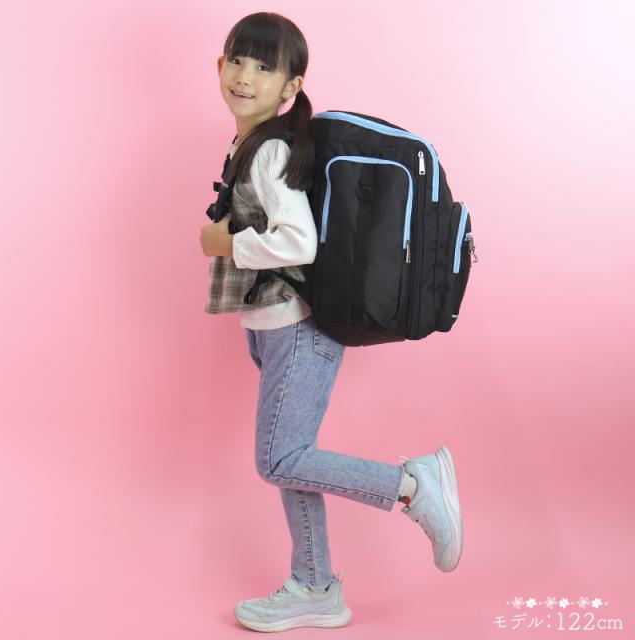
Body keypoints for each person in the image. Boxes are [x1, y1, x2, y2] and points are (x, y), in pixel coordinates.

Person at [199, 11, 463, 633]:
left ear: (291, 87)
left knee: (279, 458)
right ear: (219, 66)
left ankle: (411, 485)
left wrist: (224, 242)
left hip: (295, 327)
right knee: (293, 457)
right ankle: (315, 586)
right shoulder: (253, 143)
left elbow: (299, 240)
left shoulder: (269, 152)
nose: (245, 76)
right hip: (270, 325)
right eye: (238, 60)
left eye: (265, 67)